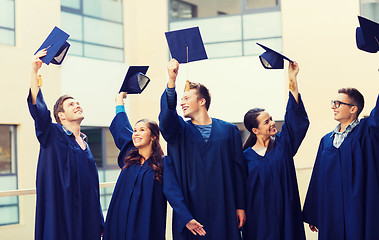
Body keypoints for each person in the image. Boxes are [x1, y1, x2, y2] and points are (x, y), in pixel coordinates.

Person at [159, 58, 246, 240]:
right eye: (180, 99)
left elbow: (238, 171)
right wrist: (171, 82)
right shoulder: (179, 131)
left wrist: (240, 205)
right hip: (192, 213)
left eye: (186, 98)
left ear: (202, 101)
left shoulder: (228, 131)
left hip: (224, 207)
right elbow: (166, 120)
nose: (181, 102)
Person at [103, 92, 206, 240]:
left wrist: (187, 219)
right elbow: (122, 127)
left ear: (153, 137)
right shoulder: (129, 155)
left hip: (145, 223)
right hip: (119, 221)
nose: (136, 133)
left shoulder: (163, 164)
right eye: (135, 130)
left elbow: (173, 194)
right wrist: (119, 101)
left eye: (142, 130)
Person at [28, 50, 104, 240]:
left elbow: (94, 189)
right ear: (61, 116)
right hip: (63, 217)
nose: (77, 105)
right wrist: (34, 72)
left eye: (78, 103)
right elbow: (39, 110)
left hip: (87, 219)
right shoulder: (52, 135)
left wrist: (100, 220)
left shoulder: (85, 145)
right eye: (71, 105)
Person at [241, 62, 309, 240]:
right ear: (255, 130)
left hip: (287, 217)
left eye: (271, 118)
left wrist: (292, 79)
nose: (272, 123)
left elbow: (294, 118)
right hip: (259, 222)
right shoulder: (245, 158)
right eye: (266, 122)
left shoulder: (283, 145)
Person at [302, 87, 379, 239]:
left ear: (353, 109)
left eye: (338, 103)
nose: (333, 107)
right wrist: (315, 212)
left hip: (358, 208)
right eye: (333, 103)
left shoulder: (366, 132)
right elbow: (318, 177)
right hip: (331, 210)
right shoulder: (326, 140)